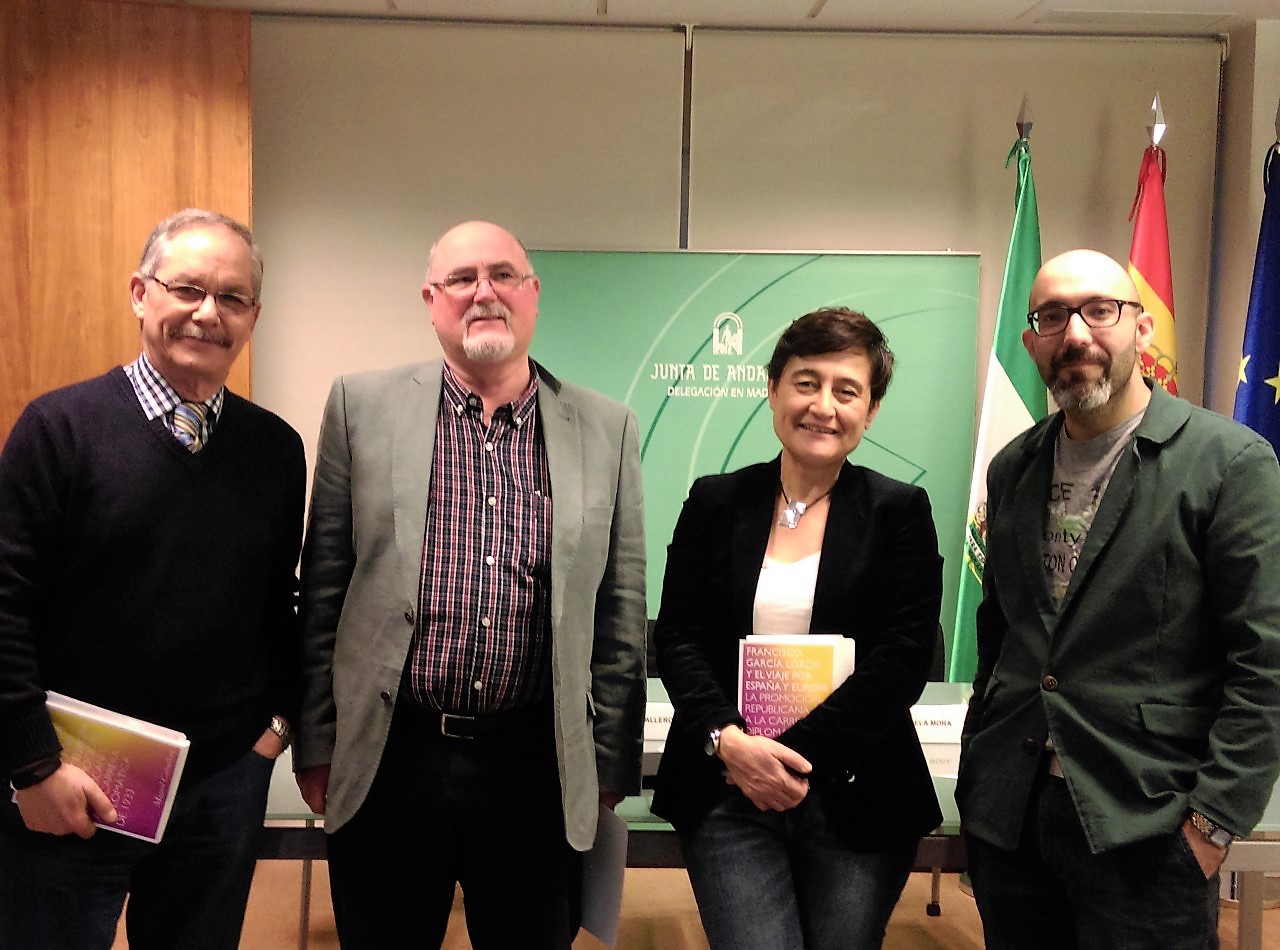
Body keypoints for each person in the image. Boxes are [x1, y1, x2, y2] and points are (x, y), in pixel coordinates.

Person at [294, 220, 647, 949]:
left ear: (533, 295)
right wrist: (318, 743)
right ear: (431, 300)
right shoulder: (360, 409)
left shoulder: (606, 429)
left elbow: (620, 613)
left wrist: (609, 766)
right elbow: (324, 591)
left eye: (502, 275)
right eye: (461, 279)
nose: (483, 292)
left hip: (535, 762)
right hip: (394, 753)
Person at [956, 248, 1280, 949]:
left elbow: (1266, 663)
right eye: (1052, 316)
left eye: (1099, 310)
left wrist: (1213, 823)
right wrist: (979, 782)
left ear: (1141, 328)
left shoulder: (1229, 464)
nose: (1076, 333)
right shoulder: (1014, 466)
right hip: (1014, 820)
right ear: (1031, 340)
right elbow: (1002, 640)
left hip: (1147, 824)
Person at [0, 209, 306, 949]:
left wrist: (274, 734)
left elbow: (281, 608)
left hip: (220, 789)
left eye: (232, 298)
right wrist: (31, 765)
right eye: (187, 289)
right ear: (141, 293)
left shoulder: (275, 451)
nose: (208, 313)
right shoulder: (58, 430)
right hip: (74, 784)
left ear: (252, 317)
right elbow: (4, 605)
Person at [651, 307, 944, 949]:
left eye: (847, 390)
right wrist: (728, 742)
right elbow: (677, 636)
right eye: (806, 382)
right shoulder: (714, 500)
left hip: (857, 787)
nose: (823, 406)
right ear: (773, 389)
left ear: (871, 412)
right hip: (729, 784)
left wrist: (795, 755)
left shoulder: (899, 511)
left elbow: (904, 655)